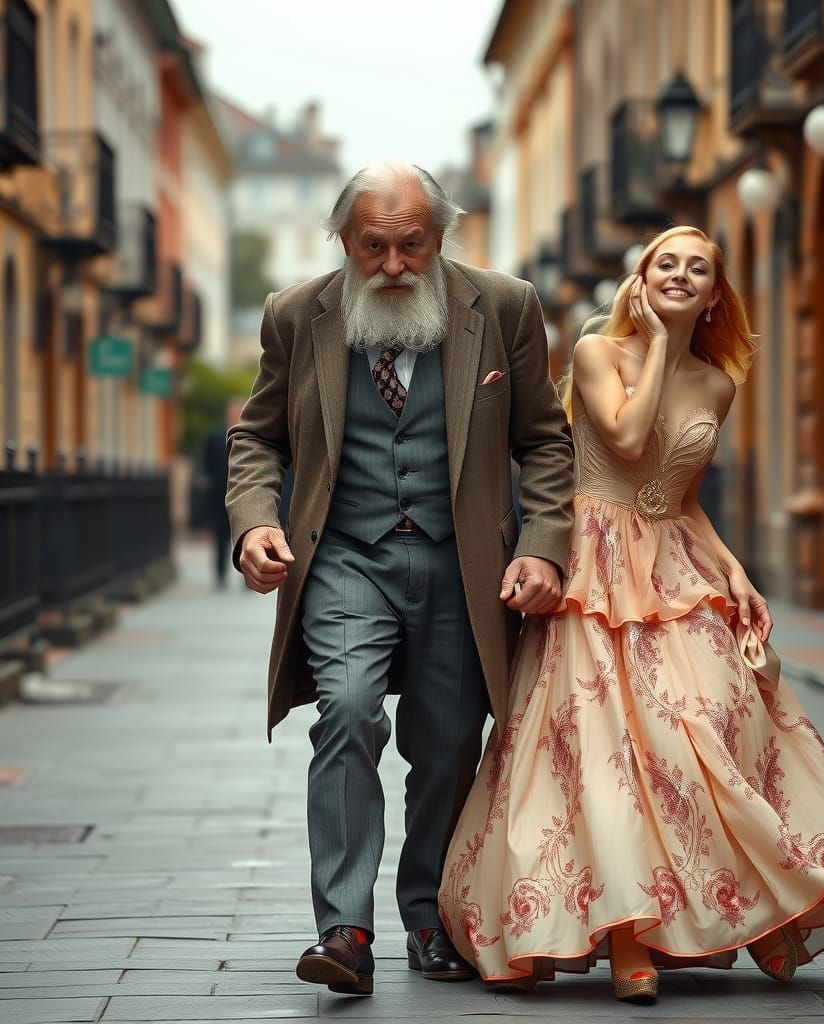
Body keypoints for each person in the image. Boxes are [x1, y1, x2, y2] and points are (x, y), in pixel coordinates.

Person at [439, 226, 824, 1005]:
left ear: (715, 294)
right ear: (641, 280)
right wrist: (652, 344)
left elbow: (681, 499)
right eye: (665, 264)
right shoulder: (596, 352)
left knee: (716, 726)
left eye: (698, 269)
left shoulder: (717, 385)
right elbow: (626, 437)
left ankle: (765, 901)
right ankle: (629, 936)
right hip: (593, 566)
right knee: (609, 752)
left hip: (675, 563)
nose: (681, 275)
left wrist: (736, 570)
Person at [226, 163, 575, 996]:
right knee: (346, 711)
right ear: (344, 241)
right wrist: (255, 521)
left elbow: (544, 441)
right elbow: (258, 437)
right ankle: (345, 930)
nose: (392, 265)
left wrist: (544, 545)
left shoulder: (507, 306)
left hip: (464, 565)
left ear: (440, 236)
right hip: (345, 557)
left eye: (411, 245)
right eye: (372, 247)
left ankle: (430, 914)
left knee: (448, 745)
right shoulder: (294, 314)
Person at [201, 398, 244, 589]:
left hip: (242, 493)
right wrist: (205, 478)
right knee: (220, 537)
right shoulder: (215, 434)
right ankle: (220, 575)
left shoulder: (249, 434)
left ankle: (247, 575)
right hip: (220, 494)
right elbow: (205, 460)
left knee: (243, 536)